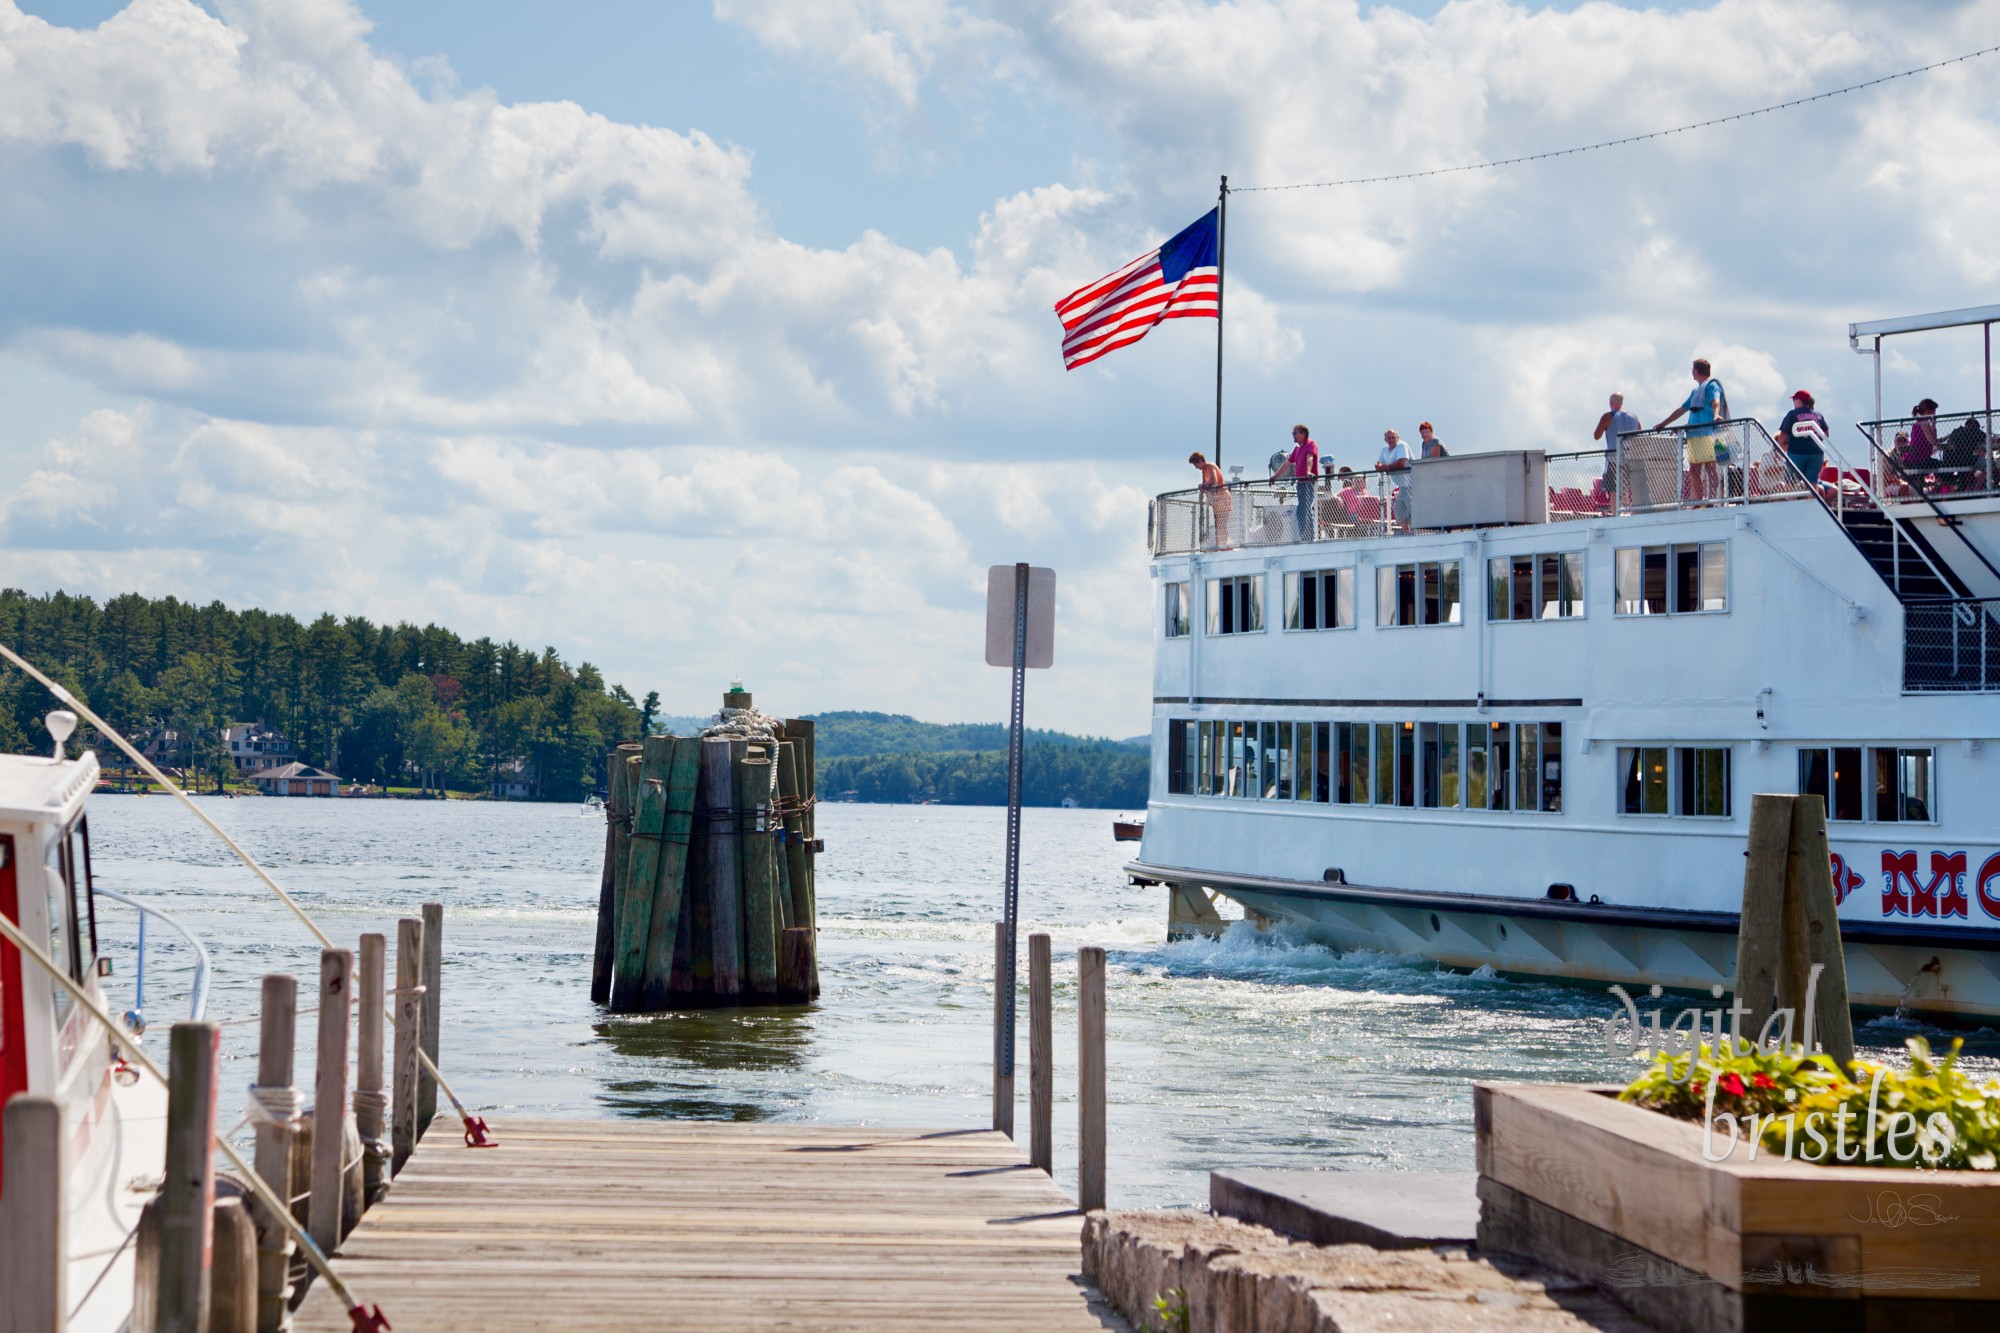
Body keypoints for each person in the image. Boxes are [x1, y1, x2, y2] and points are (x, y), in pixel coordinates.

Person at [1653, 358, 1728, 503]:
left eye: (1693, 369)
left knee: (1710, 468)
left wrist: (1716, 414)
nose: (1691, 372)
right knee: (1694, 470)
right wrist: (1663, 423)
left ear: (1697, 371)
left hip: (1707, 434)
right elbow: (1682, 409)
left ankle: (1712, 500)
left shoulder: (1711, 386)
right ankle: (1698, 500)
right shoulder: (1695, 390)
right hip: (1694, 435)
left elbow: (1715, 401)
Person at [1774, 390, 1829, 491]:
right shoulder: (1818, 415)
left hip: (1797, 453)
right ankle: (1811, 505)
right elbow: (1826, 434)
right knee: (1812, 486)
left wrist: (1776, 450)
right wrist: (1813, 439)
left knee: (1790, 485)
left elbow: (1783, 435)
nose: (1793, 402)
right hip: (1817, 453)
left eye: (1794, 400)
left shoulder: (1792, 414)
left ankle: (1792, 506)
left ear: (1799, 401)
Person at [1273, 424, 1320, 541]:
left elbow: (1310, 458)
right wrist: (1275, 476)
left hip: (1308, 482)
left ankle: (1309, 536)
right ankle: (1305, 535)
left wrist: (1309, 471)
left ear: (1302, 434)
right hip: (1301, 483)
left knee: (1305, 509)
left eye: (1295, 433)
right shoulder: (1297, 448)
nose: (1293, 436)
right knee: (1301, 510)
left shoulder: (1310, 444)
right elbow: (1288, 463)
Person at [1593, 392, 1641, 501]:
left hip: (1614, 459)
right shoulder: (1634, 417)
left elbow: (1596, 436)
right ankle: (1626, 511)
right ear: (1622, 402)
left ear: (1611, 402)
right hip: (1630, 458)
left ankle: (1616, 513)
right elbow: (1639, 435)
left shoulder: (1608, 416)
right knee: (1626, 488)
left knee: (1613, 489)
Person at [1189, 450, 1232, 549]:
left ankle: (1224, 545)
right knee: (1218, 524)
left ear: (1200, 461)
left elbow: (1214, 481)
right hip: (1216, 499)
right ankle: (1220, 544)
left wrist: (1203, 485)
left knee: (1222, 523)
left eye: (1195, 464)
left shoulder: (1210, 466)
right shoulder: (1204, 470)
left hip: (1222, 497)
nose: (1196, 467)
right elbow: (1208, 485)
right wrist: (1203, 487)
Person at [1376, 428, 1411, 528]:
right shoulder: (1385, 450)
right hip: (1402, 486)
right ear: (1385, 440)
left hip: (1411, 484)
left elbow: (1402, 463)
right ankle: (1407, 533)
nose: (1391, 440)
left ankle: (1418, 533)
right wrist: (1378, 466)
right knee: (1398, 510)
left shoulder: (1401, 446)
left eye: (1393, 437)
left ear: (1398, 438)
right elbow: (1380, 463)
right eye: (1389, 438)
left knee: (1412, 511)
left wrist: (1387, 467)